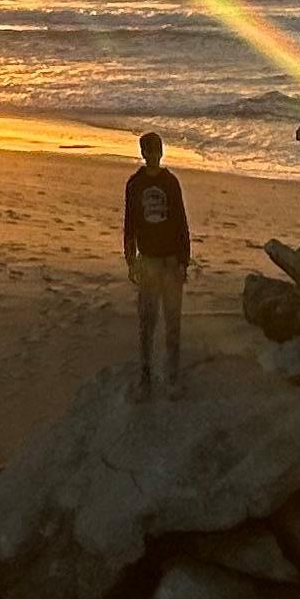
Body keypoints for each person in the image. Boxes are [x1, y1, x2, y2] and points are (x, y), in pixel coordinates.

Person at [124, 130, 192, 398]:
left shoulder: (171, 182)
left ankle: (172, 377)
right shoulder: (134, 184)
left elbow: (181, 222)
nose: (153, 155)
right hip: (148, 261)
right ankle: (146, 376)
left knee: (173, 323)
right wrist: (130, 260)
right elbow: (129, 224)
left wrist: (184, 260)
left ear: (162, 152)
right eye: (149, 151)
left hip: (170, 261)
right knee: (147, 323)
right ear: (143, 153)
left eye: (157, 150)